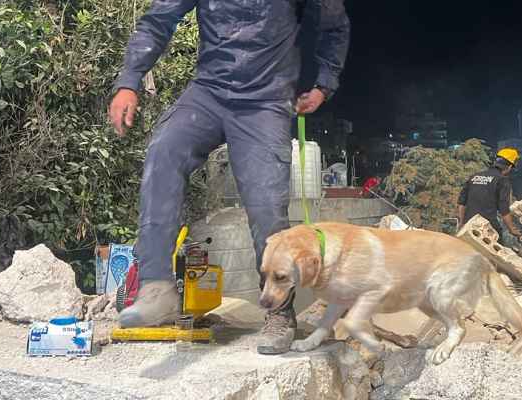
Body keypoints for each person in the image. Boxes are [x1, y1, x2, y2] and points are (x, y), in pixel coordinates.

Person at [108, 0, 350, 355]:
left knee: (267, 206)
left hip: (265, 102)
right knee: (164, 151)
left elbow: (335, 25)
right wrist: (129, 82)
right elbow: (157, 21)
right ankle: (156, 286)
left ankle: (280, 314)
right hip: (209, 93)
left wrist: (324, 84)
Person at [458, 147, 522, 243]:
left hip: (469, 225)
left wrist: (461, 223)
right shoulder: (502, 180)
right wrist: (512, 229)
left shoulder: (474, 176)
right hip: (488, 227)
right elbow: (504, 209)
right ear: (509, 166)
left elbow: (461, 202)